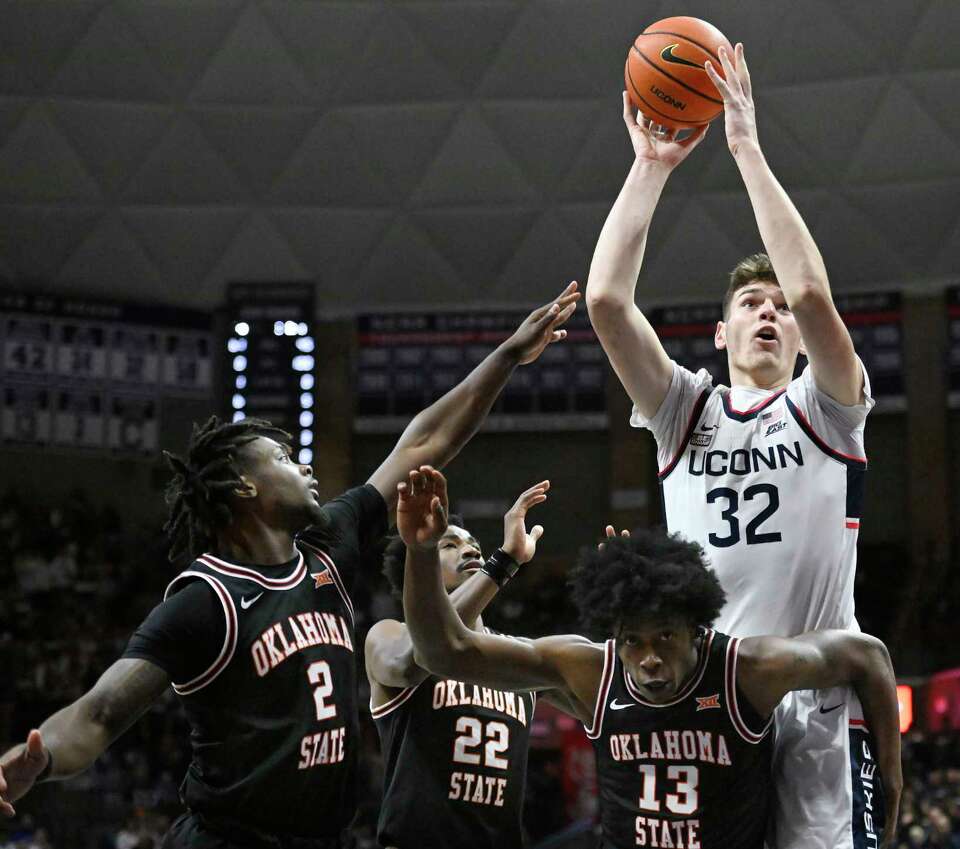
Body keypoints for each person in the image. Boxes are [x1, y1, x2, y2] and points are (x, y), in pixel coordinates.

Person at [0, 284, 581, 849]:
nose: (303, 465)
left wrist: (507, 356)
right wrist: (38, 759)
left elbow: (422, 444)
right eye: (281, 457)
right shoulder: (206, 598)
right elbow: (100, 712)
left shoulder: (330, 541)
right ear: (241, 486)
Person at [584, 44, 881, 849]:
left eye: (779, 308)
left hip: (814, 698)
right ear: (719, 332)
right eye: (752, 301)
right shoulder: (687, 410)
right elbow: (607, 301)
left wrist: (745, 146)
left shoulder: (829, 406)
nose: (771, 313)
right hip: (704, 694)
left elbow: (815, 291)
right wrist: (650, 166)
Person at [395, 466, 901, 849]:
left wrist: (891, 778)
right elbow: (443, 651)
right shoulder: (593, 670)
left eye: (665, 638)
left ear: (698, 631)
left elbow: (869, 656)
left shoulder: (746, 670)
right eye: (633, 640)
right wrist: (419, 554)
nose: (648, 658)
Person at [366, 482, 549, 848]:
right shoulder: (388, 635)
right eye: (449, 544)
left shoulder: (516, 653)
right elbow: (423, 655)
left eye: (475, 546)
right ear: (416, 566)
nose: (469, 549)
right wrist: (504, 562)